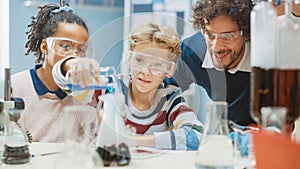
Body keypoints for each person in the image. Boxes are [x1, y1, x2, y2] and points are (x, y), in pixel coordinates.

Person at [53, 23, 204, 150]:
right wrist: (73, 65)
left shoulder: (171, 98)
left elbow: (195, 137)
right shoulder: (111, 86)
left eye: (158, 65)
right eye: (139, 60)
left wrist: (130, 141)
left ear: (169, 70)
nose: (146, 71)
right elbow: (66, 85)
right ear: (129, 60)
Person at [11, 3, 99, 142]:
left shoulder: (83, 93)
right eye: (65, 46)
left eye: (81, 50)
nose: (74, 56)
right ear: (45, 47)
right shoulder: (15, 86)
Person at [164, 0, 256, 126]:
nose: (216, 47)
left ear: (246, 34)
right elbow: (162, 93)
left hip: (267, 136)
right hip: (224, 132)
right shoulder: (191, 51)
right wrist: (184, 120)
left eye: (228, 36)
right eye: (210, 34)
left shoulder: (269, 56)